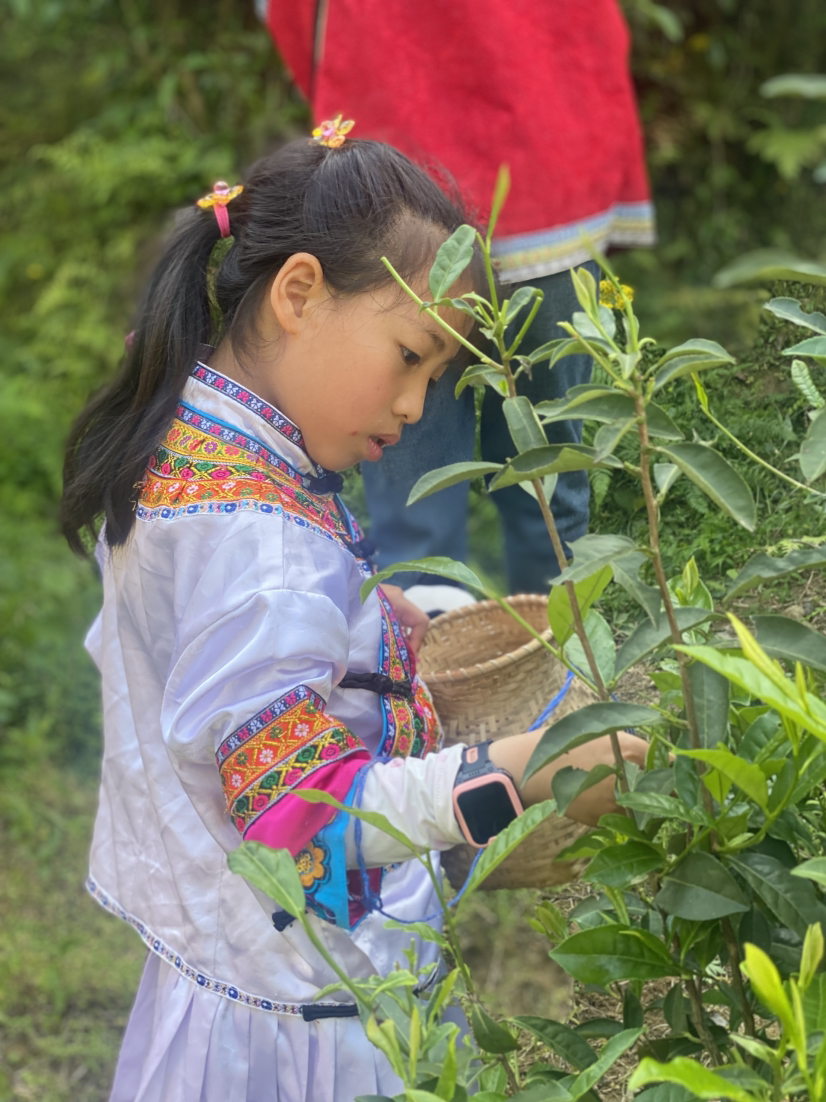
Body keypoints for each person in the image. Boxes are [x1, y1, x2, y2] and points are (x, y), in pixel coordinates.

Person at [62, 132, 648, 1102]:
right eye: (410, 356)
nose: (415, 405)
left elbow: (199, 630)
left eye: (434, 377)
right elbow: (305, 816)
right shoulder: (260, 544)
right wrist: (527, 769)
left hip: (232, 977)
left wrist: (358, 608)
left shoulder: (196, 438)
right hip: (308, 1024)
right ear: (298, 293)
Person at [265, 0, 655, 598]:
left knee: (416, 515)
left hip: (399, 173)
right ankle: (558, 653)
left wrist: (338, 77)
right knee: (548, 492)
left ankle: (447, 657)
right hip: (542, 156)